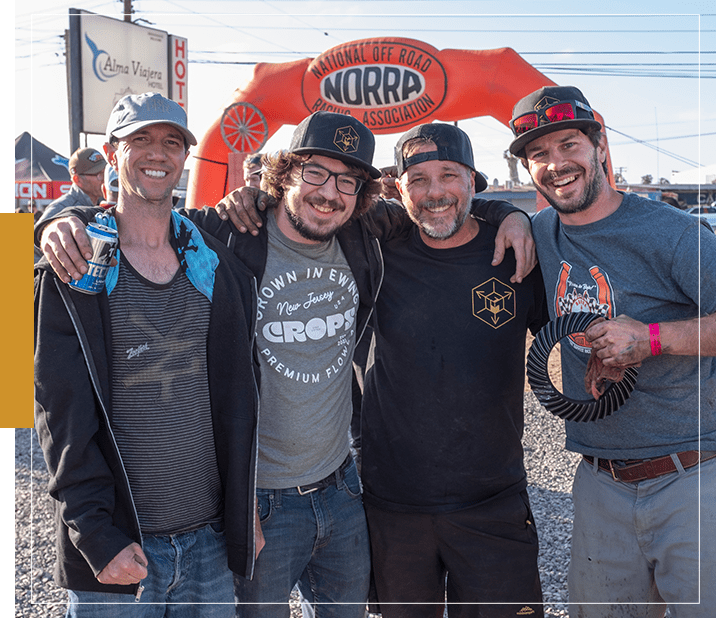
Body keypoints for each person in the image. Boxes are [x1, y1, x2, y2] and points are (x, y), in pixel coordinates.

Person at [36, 111, 534, 617]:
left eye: (347, 181)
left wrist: (511, 215)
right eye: (314, 172)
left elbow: (442, 203)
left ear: (362, 194)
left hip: (342, 490)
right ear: (282, 175)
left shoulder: (364, 235)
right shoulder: (224, 237)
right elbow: (138, 219)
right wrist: (54, 222)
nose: (329, 192)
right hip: (257, 502)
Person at [34, 92, 260, 617]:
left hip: (208, 543)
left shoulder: (214, 264)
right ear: (112, 154)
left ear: (185, 156)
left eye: (171, 142)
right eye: (140, 140)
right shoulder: (75, 267)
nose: (157, 154)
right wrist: (94, 534)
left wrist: (242, 507)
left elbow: (238, 395)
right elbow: (58, 413)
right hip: (119, 548)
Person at [508, 84, 716, 618]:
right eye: (538, 154)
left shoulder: (673, 233)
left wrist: (650, 339)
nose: (556, 164)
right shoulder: (540, 232)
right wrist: (507, 219)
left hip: (692, 478)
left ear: (600, 147)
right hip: (600, 483)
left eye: (569, 145)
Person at [358, 123, 547, 618]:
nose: (434, 192)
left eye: (448, 175)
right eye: (417, 178)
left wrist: (511, 214)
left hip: (493, 499)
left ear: (472, 181)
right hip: (393, 502)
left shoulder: (518, 255)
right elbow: (307, 214)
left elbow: (576, 330)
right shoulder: (377, 252)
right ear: (398, 188)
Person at [38, 146, 106, 223]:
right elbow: (31, 234)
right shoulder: (61, 208)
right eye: (99, 174)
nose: (104, 179)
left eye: (105, 172)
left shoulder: (105, 202)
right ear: (77, 180)